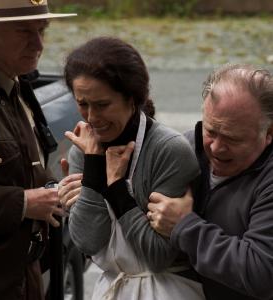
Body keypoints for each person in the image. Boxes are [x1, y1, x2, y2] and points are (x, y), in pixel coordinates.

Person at [60, 36, 205, 300]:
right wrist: (93, 166)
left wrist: (116, 189)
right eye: (82, 104)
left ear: (132, 98)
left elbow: (157, 256)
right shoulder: (84, 149)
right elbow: (88, 242)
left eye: (102, 105)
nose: (92, 118)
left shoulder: (168, 151)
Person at [0, 1, 76, 299]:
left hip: (18, 278)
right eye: (23, 31)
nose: (39, 44)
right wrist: (21, 202)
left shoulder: (13, 83)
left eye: (42, 30)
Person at [147, 64, 273, 300]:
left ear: (269, 134)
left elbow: (262, 273)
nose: (216, 148)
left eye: (232, 139)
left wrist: (184, 227)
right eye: (211, 131)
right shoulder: (182, 151)